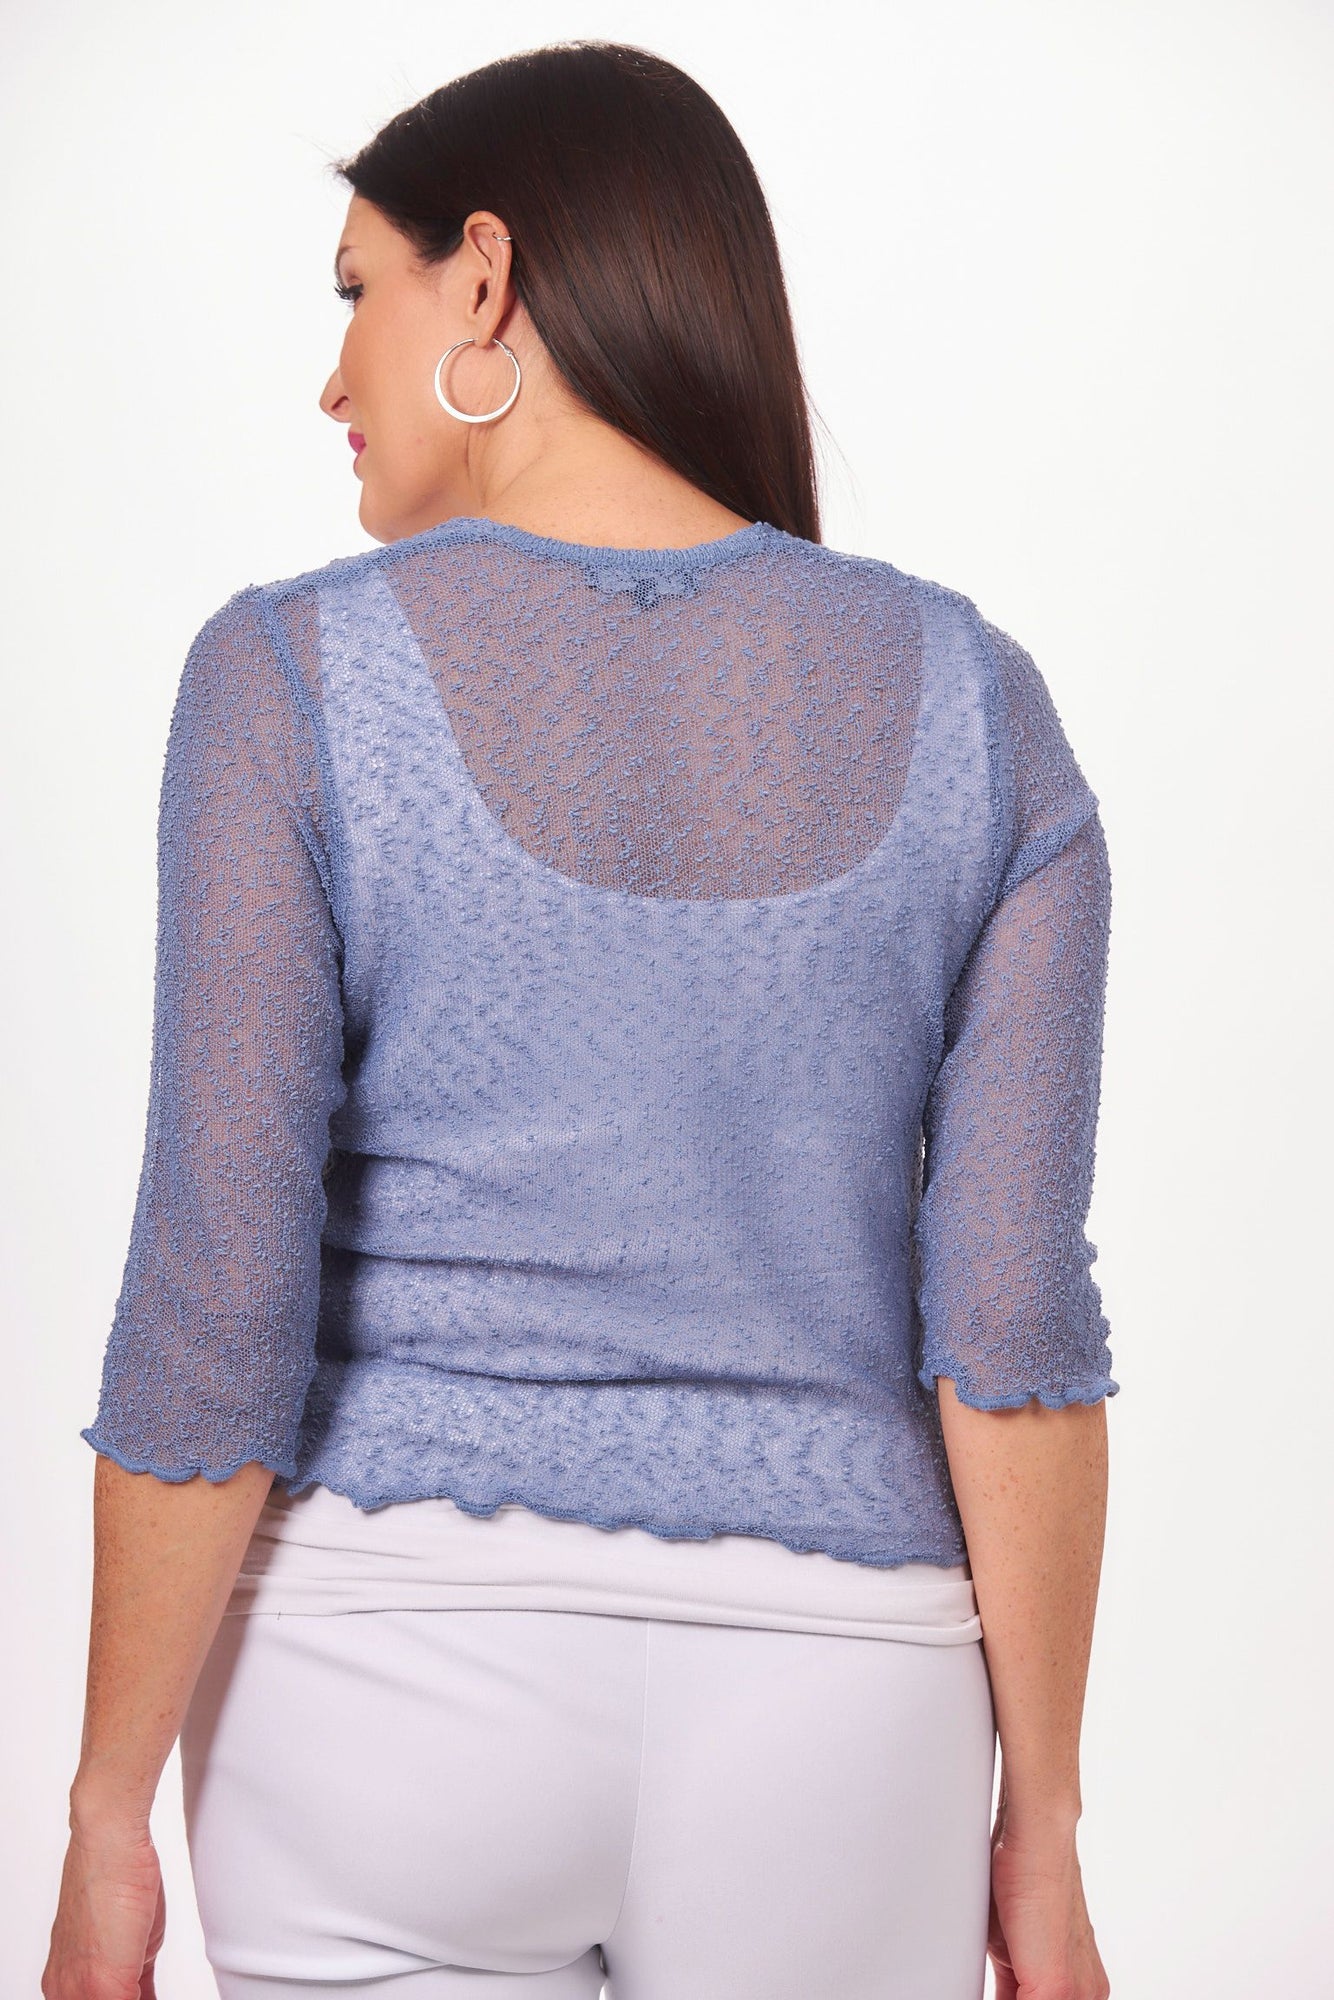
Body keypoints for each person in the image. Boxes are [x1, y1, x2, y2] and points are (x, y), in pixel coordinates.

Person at [45, 38, 1116, 2000]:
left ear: (484, 279)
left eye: (354, 294)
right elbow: (1012, 1324)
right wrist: (1039, 1827)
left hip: (381, 1688)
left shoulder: (291, 677)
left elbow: (216, 1292)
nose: (332, 379)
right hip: (841, 1713)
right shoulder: (979, 705)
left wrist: (105, 1810)